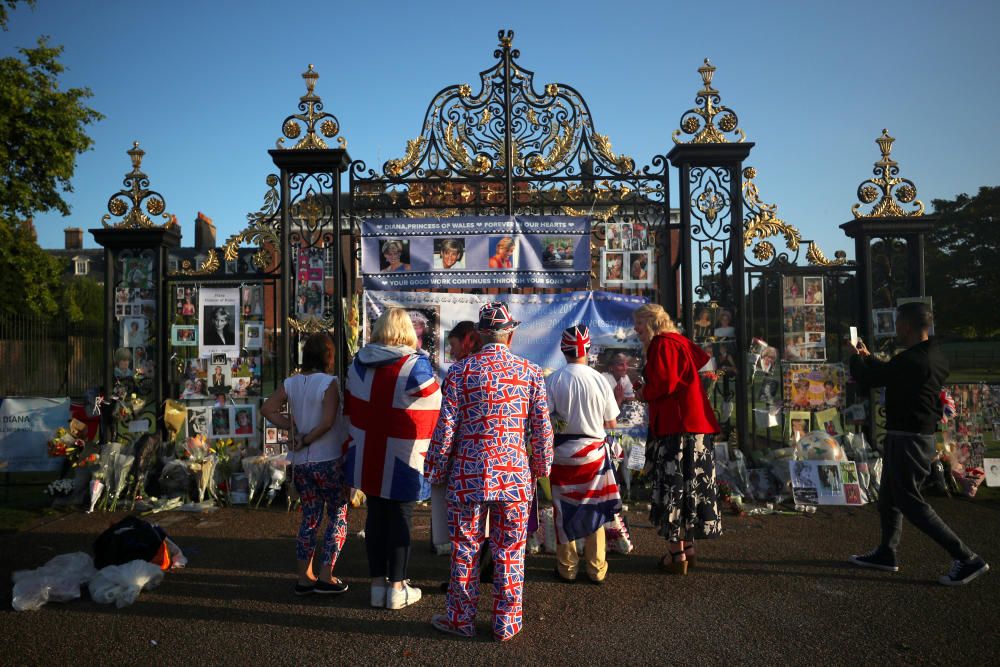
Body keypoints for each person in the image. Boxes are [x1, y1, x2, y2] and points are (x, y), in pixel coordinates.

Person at [424, 301, 553, 641]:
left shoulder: (460, 372)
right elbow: (541, 430)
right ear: (510, 334)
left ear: (481, 335)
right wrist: (540, 468)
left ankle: (460, 619)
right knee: (510, 548)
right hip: (513, 475)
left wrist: (435, 469)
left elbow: (445, 429)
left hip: (468, 472)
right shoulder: (530, 372)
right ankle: (505, 623)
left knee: (465, 547)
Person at [848, 302, 989, 585]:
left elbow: (869, 379)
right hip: (914, 436)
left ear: (907, 326)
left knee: (911, 503)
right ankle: (887, 553)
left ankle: (967, 558)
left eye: (898, 323)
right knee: (889, 497)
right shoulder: (933, 356)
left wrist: (855, 358)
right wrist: (870, 356)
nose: (896, 328)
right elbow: (893, 372)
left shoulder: (912, 360)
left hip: (908, 439)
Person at [343, 308, 442, 610]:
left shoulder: (358, 363)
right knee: (401, 519)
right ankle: (398, 588)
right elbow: (437, 401)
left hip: (368, 454)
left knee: (375, 516)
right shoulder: (415, 366)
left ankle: (376, 587)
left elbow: (352, 405)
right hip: (402, 457)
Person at [634, 303, 722, 575]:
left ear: (650, 323)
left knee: (673, 488)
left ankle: (676, 555)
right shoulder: (680, 341)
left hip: (677, 428)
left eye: (638, 324)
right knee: (692, 488)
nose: (636, 330)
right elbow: (698, 367)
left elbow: (665, 384)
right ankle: (690, 549)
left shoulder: (661, 343)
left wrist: (642, 392)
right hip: (696, 427)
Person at [261, 332, 350, 596]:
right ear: (329, 357)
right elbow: (327, 422)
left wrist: (291, 431)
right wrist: (306, 438)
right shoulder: (330, 383)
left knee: (310, 517)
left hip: (301, 463)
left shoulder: (291, 382)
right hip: (327, 459)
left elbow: (267, 409)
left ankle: (304, 577)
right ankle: (327, 575)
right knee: (338, 514)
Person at [545, 325, 620, 584]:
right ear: (586, 349)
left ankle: (567, 568)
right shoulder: (600, 380)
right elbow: (611, 424)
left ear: (563, 349)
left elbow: (545, 422)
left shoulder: (554, 380)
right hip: (595, 455)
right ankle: (596, 568)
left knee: (563, 509)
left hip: (563, 456)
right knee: (595, 508)